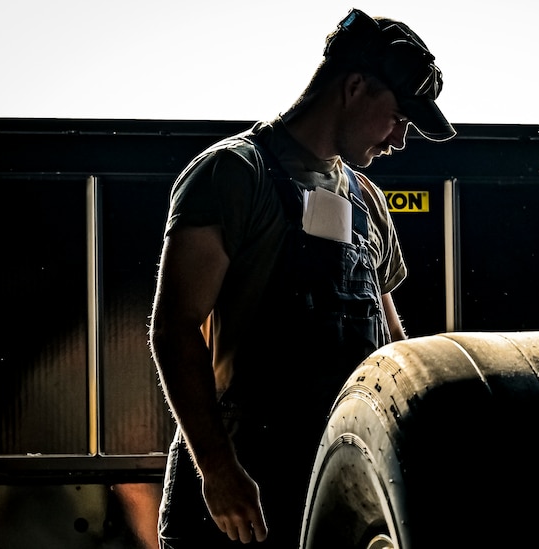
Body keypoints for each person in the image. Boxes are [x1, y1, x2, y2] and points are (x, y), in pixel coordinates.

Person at [147, 8, 455, 548]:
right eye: (399, 118)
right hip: (240, 492)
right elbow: (175, 328)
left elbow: (392, 354)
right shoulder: (234, 173)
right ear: (355, 86)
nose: (400, 140)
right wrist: (218, 472)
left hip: (333, 487)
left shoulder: (367, 201)